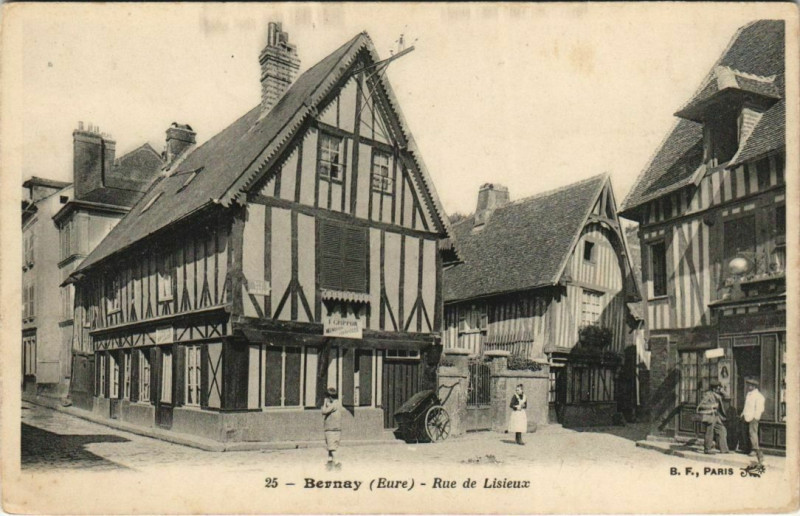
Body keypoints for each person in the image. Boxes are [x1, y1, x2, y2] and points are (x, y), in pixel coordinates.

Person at [696, 380, 730, 454]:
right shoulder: (708, 395)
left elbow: (728, 397)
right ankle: (707, 449)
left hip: (717, 416)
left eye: (719, 388)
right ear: (714, 388)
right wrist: (712, 406)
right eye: (718, 388)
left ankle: (724, 449)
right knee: (709, 432)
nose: (719, 389)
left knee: (722, 430)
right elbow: (701, 405)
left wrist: (723, 391)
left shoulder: (718, 394)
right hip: (710, 415)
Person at [740, 377, 765, 464]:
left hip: (753, 417)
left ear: (754, 386)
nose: (748, 387)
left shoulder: (759, 396)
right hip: (746, 416)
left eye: (750, 385)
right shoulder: (748, 394)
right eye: (748, 385)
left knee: (752, 433)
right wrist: (742, 414)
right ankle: (747, 448)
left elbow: (760, 409)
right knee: (746, 433)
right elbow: (746, 406)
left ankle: (754, 449)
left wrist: (755, 417)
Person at [321, 386, 342, 469]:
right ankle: (330, 461)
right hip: (336, 429)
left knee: (332, 448)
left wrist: (324, 403)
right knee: (331, 446)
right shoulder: (338, 403)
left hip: (331, 429)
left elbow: (324, 411)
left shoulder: (333, 405)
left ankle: (337, 463)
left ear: (330, 397)